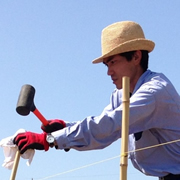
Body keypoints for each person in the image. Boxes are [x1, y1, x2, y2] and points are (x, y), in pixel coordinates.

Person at [13, 21, 180, 180]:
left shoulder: (154, 92)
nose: (109, 72)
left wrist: (50, 139)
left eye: (113, 62)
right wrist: (65, 127)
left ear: (136, 57)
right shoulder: (121, 93)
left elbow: (109, 126)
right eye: (106, 65)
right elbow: (102, 125)